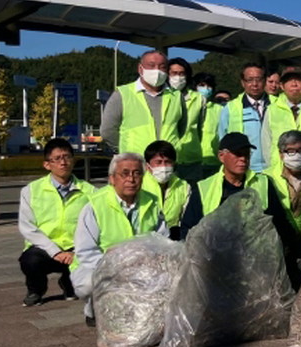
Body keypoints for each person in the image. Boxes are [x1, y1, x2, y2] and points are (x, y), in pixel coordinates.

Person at [180, 132, 301, 290]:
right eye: (238, 154)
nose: (243, 159)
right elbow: (189, 230)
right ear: (221, 156)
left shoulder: (263, 183)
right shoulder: (204, 187)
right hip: (217, 264)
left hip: (258, 264)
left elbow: (280, 223)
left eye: (246, 154)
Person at [72, 153, 168, 326]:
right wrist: (117, 265)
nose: (131, 179)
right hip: (104, 265)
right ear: (112, 179)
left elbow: (162, 240)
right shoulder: (95, 205)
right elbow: (85, 251)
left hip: (142, 264)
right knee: (87, 284)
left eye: (137, 173)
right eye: (124, 173)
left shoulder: (152, 202)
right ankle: (93, 307)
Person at [17, 138, 94, 307]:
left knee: (92, 258)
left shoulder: (90, 191)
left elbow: (96, 226)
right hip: (43, 248)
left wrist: (77, 250)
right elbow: (27, 227)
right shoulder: (31, 190)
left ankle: (69, 284)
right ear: (47, 164)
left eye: (67, 157)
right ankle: (35, 289)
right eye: (57, 158)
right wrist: (55, 251)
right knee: (30, 261)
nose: (63, 162)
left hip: (76, 248)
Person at [100, 49, 182, 156]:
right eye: (151, 65)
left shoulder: (176, 96)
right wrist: (125, 149)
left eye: (162, 67)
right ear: (140, 68)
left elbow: (181, 128)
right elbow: (107, 131)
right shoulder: (122, 94)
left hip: (167, 162)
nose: (157, 71)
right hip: (135, 164)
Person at [263, 69, 301, 174]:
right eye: (289, 80)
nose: (294, 84)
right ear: (282, 86)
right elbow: (266, 143)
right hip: (280, 171)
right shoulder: (271, 110)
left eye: (298, 80)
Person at [218, 61, 273, 172]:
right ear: (243, 82)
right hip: (245, 169)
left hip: (274, 169)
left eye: (258, 79)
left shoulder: (277, 105)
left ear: (265, 81)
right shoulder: (230, 108)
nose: (254, 84)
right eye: (250, 80)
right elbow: (223, 140)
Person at [141, 140, 191, 241]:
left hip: (173, 239)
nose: (163, 166)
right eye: (158, 162)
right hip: (145, 240)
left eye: (167, 162)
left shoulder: (183, 186)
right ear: (148, 166)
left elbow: (186, 218)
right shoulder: (140, 185)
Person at [166, 57, 204, 181]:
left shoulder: (199, 99)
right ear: (167, 75)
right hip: (166, 158)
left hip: (191, 158)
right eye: (174, 73)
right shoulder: (162, 97)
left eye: (182, 73)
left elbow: (200, 128)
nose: (178, 77)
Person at [193, 72, 222, 177]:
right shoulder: (187, 107)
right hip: (190, 161)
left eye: (209, 86)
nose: (206, 88)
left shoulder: (219, 109)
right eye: (201, 85)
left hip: (213, 161)